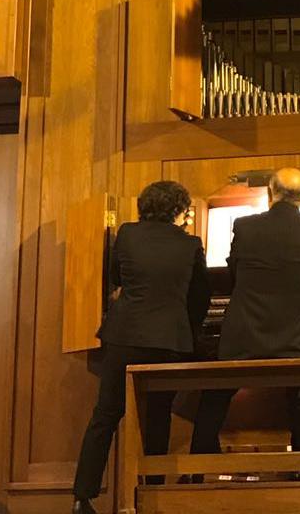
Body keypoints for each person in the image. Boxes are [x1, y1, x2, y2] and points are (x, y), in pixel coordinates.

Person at [72, 181, 210, 514]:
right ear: (179, 210)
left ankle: (82, 497)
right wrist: (188, 330)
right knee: (158, 414)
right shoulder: (191, 244)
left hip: (125, 335)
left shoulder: (127, 234)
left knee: (106, 414)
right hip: (168, 340)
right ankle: (152, 491)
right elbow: (200, 299)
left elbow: (116, 276)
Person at [190, 167, 300, 457]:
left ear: (270, 192)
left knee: (217, 390)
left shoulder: (245, 227)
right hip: (299, 344)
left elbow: (235, 277)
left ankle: (199, 463)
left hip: (246, 339)